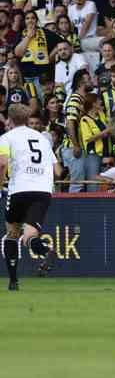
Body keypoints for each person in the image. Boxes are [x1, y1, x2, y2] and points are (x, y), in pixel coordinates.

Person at [0, 104, 61, 290]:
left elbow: (2, 163)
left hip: (19, 189)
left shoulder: (6, 138)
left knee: (12, 234)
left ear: (9, 120)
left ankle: (13, 281)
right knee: (29, 236)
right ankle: (45, 250)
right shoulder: (42, 139)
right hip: (43, 191)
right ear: (27, 120)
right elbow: (57, 170)